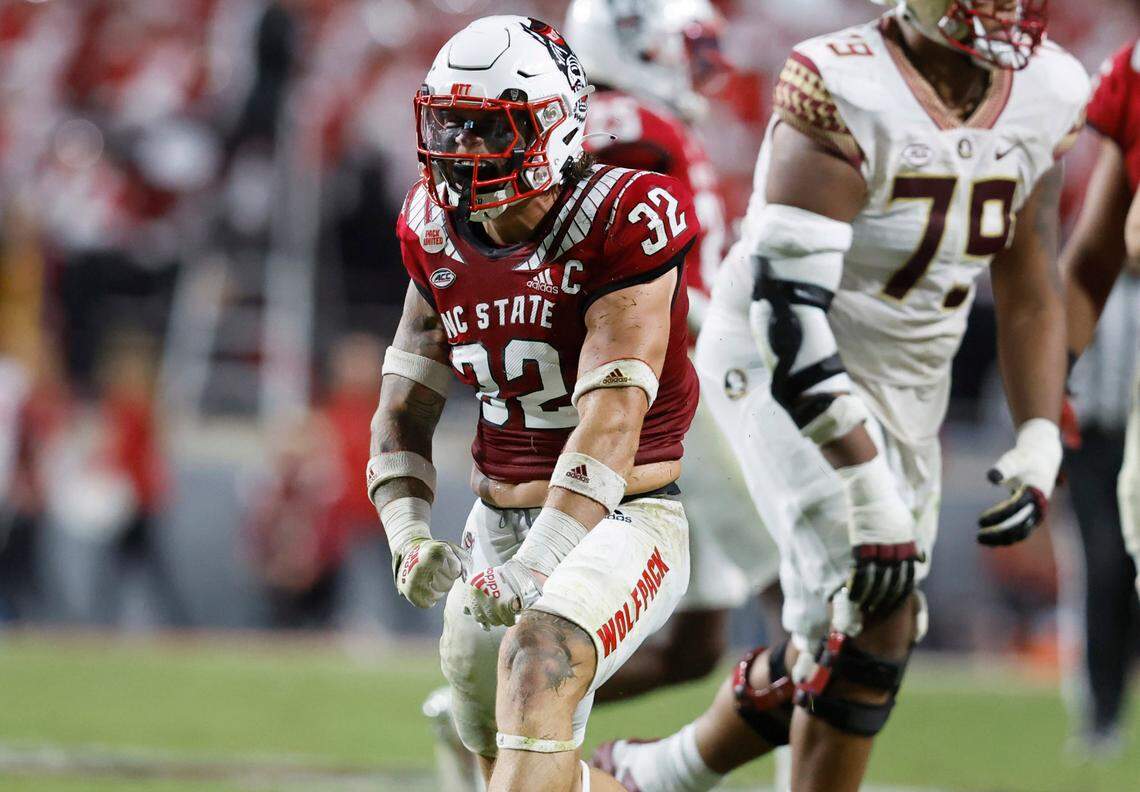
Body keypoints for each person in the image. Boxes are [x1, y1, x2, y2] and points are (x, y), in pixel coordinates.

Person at [592, 1, 1086, 790]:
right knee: (868, 612)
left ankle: (648, 776)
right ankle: (659, 776)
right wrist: (864, 485)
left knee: (851, 631)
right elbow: (790, 316)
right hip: (774, 353)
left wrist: (1036, 432)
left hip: (910, 379)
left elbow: (1029, 276)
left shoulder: (1050, 88)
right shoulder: (841, 82)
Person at [370, 16, 700, 792]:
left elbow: (613, 422)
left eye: (487, 131)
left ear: (551, 128)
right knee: (509, 764)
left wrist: (539, 565)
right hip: (494, 527)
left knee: (540, 655)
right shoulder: (432, 227)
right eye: (450, 126)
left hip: (624, 517)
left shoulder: (624, 216)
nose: (461, 151)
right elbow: (402, 405)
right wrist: (408, 532)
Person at [567, 0, 786, 705]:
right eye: (685, 48)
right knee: (800, 583)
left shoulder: (646, 122)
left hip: (683, 378)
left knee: (696, 648)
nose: (699, 68)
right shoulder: (621, 123)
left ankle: (493, 702)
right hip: (675, 387)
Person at [1060, 36, 1140, 759]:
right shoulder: (1134, 75)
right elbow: (1094, 256)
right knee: (1111, 564)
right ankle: (1102, 713)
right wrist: (1048, 394)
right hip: (1105, 425)